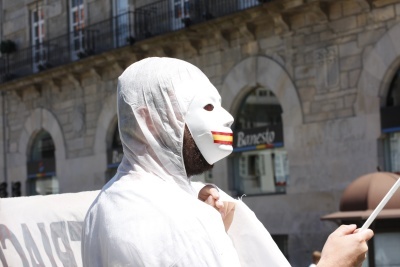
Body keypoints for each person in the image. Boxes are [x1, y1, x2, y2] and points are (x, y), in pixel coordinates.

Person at [82, 57, 373, 267]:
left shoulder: (105, 204)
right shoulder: (178, 218)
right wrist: (333, 264)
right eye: (207, 106)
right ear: (149, 120)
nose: (227, 117)